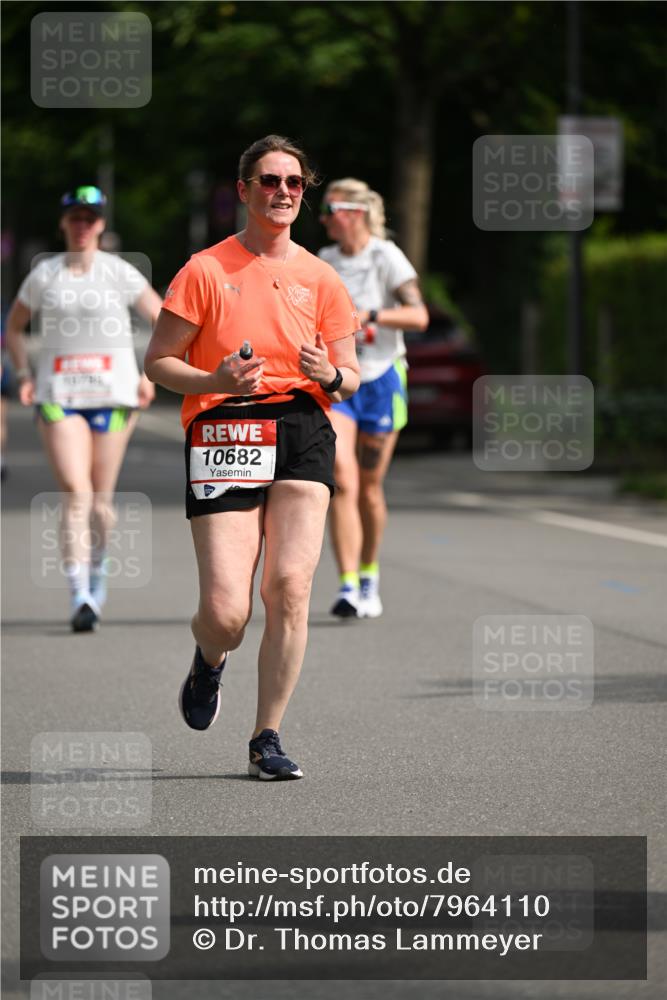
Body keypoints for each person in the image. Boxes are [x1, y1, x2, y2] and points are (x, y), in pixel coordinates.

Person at [144, 135, 360, 781]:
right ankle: (209, 660)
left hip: (302, 426)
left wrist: (332, 375)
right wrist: (215, 381)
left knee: (290, 589)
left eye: (293, 183)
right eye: (269, 181)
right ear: (243, 191)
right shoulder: (205, 269)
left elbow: (351, 374)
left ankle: (266, 737)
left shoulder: (321, 277)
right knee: (226, 612)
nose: (282, 192)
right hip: (225, 427)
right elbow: (157, 362)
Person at [5, 186, 162, 631]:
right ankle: (79, 596)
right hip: (60, 397)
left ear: (101, 224)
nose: (82, 225)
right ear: (63, 223)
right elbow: (13, 330)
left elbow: (167, 320)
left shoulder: (120, 272)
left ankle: (98, 572)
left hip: (113, 397)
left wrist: (148, 376)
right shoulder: (44, 275)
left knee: (100, 499)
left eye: (89, 218)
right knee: (76, 492)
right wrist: (23, 375)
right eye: (74, 217)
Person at [319, 179, 429, 619]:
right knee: (341, 479)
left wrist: (367, 315)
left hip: (383, 379)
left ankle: (369, 575)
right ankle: (346, 585)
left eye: (329, 209)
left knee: (369, 488)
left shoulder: (386, 256)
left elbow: (418, 315)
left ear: (354, 213)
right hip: (341, 381)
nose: (323, 218)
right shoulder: (325, 261)